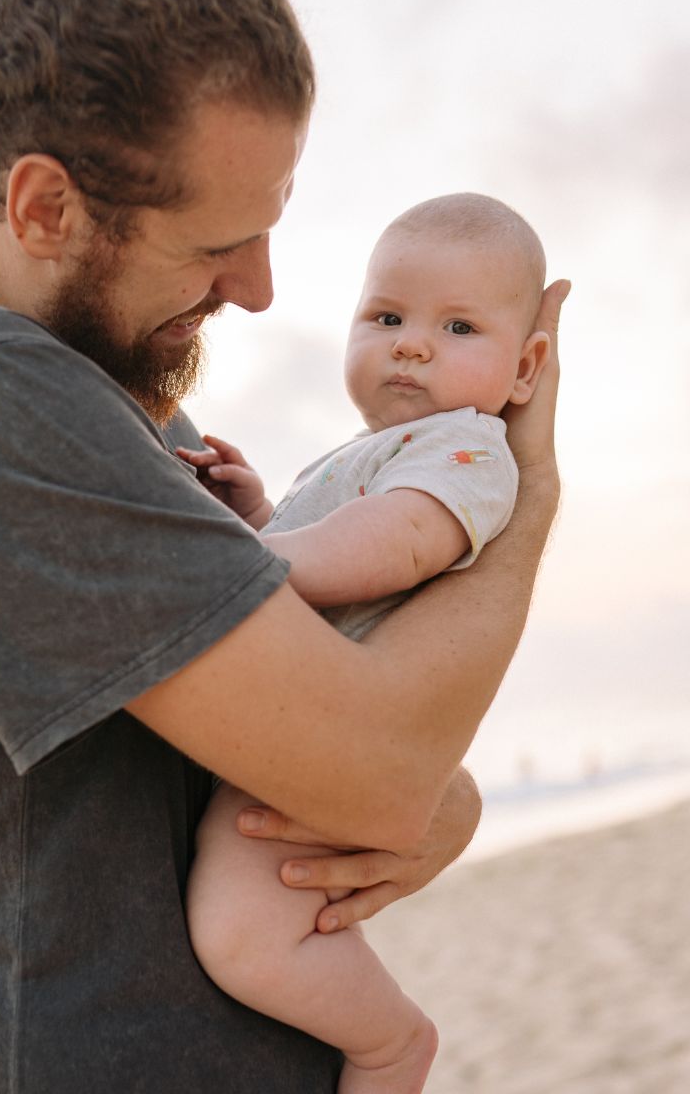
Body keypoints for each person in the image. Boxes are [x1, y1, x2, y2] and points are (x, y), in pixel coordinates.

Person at [0, 0, 568, 1090]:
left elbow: (328, 736)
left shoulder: (121, 405)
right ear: (46, 210)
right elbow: (375, 765)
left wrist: (444, 798)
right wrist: (522, 481)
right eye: (217, 244)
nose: (261, 291)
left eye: (267, 230)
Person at [179, 193, 551, 1094]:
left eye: (458, 326)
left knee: (238, 933)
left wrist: (253, 556)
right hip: (298, 729)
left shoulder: (468, 451)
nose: (411, 343)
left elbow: (397, 545)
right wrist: (259, 515)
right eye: (386, 317)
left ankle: (388, 1043)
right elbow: (338, 552)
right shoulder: (384, 448)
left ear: (526, 368)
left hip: (321, 745)